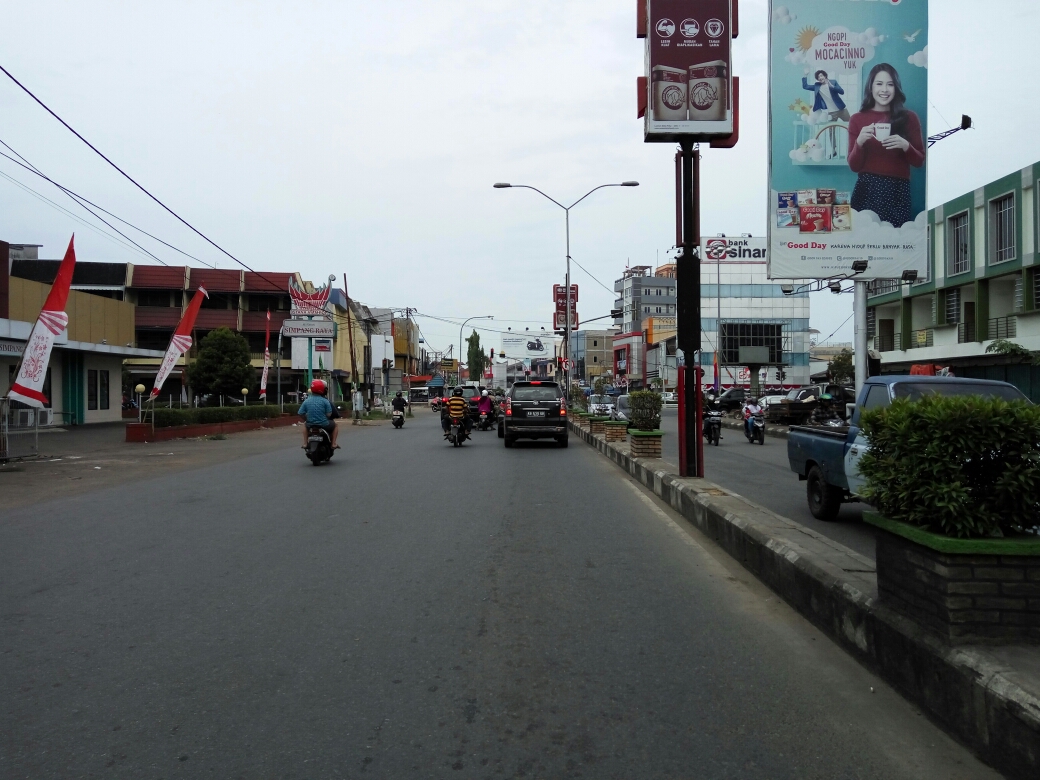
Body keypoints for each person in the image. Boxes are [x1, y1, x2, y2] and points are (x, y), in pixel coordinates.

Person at [847, 63, 925, 228]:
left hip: (898, 190)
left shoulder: (909, 117)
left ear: (896, 88)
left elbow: (919, 161)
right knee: (862, 241)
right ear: (871, 87)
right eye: (879, 84)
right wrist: (859, 142)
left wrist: (905, 146)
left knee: (895, 243)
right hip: (866, 188)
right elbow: (853, 166)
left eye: (890, 84)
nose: (885, 89)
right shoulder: (856, 119)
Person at [298, 379, 339, 449]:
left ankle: (305, 443)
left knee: (304, 425)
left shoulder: (306, 401)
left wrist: (306, 419)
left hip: (310, 424)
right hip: (324, 424)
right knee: (335, 425)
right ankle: (333, 443)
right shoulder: (325, 401)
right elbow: (329, 413)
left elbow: (300, 413)